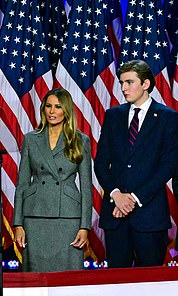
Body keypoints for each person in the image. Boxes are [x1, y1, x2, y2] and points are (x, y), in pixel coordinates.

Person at [94, 60, 178, 268]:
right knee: (115, 284)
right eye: (122, 82)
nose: (123, 88)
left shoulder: (168, 117)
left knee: (150, 286)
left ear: (146, 84)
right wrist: (116, 195)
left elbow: (168, 165)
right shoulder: (113, 115)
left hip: (149, 215)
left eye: (129, 82)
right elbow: (101, 162)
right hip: (115, 216)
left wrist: (132, 199)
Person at [12, 88, 92, 272]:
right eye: (48, 106)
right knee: (35, 277)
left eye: (57, 107)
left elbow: (87, 187)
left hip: (68, 217)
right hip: (35, 215)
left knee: (68, 277)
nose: (52, 111)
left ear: (66, 110)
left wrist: (84, 227)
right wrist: (18, 223)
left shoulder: (80, 140)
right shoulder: (31, 139)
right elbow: (22, 184)